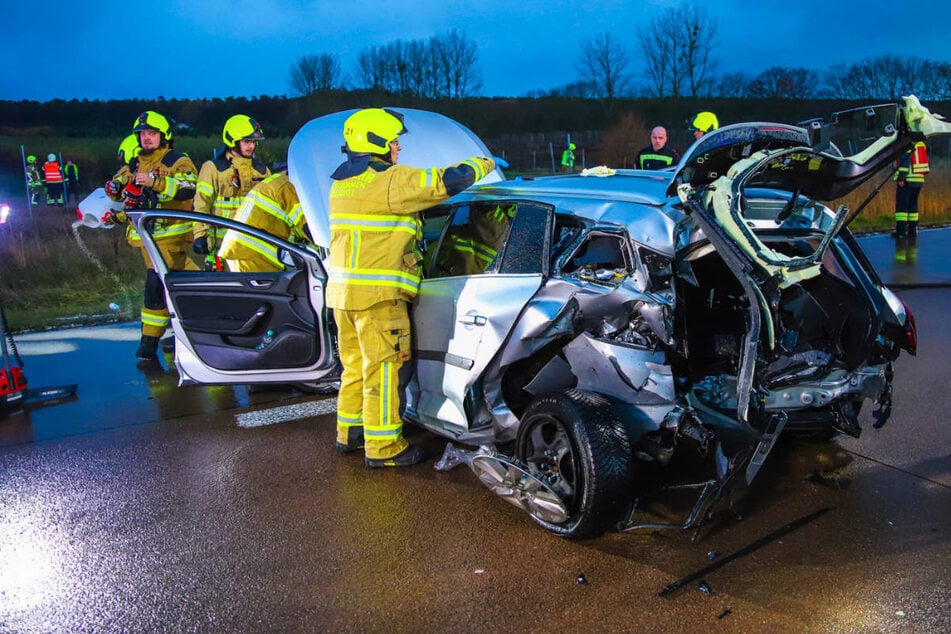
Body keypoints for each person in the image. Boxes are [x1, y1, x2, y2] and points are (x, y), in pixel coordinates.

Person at [327, 107, 497, 467]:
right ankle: (384, 448)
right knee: (384, 371)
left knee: (355, 367)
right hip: (379, 300)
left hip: (343, 297)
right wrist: (483, 163)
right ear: (375, 143)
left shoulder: (341, 184)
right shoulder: (389, 181)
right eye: (393, 142)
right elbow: (444, 183)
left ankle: (350, 432)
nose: (398, 149)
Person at [103, 111, 198, 359]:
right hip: (147, 238)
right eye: (143, 134)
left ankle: (150, 343)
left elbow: (188, 189)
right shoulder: (135, 163)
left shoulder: (178, 160)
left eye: (152, 133)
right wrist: (114, 189)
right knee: (171, 286)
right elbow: (122, 189)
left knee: (157, 287)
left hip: (173, 237)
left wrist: (155, 183)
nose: (146, 138)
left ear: (163, 135)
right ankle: (176, 336)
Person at [193, 115, 270, 270]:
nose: (252, 146)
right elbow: (201, 203)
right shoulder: (213, 168)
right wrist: (200, 235)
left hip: (252, 246)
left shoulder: (262, 171)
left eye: (254, 142)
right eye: (247, 141)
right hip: (220, 249)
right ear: (233, 141)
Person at [217, 172, 310, 272]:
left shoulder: (279, 183)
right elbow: (309, 227)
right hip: (251, 255)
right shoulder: (288, 187)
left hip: (246, 252)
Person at [893, 140, 929, 240]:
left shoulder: (908, 143)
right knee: (913, 205)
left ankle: (901, 232)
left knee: (902, 206)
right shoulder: (921, 144)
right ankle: (912, 231)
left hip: (908, 179)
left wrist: (901, 177)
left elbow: (905, 160)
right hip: (919, 179)